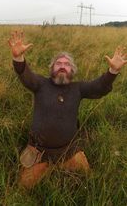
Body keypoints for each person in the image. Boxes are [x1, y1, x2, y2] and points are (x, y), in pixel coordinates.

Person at [8, 31, 127, 189]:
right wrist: (18, 58)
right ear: (52, 69)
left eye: (66, 64)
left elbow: (99, 87)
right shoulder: (40, 84)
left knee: (91, 181)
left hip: (69, 152)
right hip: (39, 153)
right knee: (22, 189)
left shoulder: (77, 88)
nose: (62, 66)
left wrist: (113, 71)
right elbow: (26, 75)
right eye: (58, 63)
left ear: (72, 71)